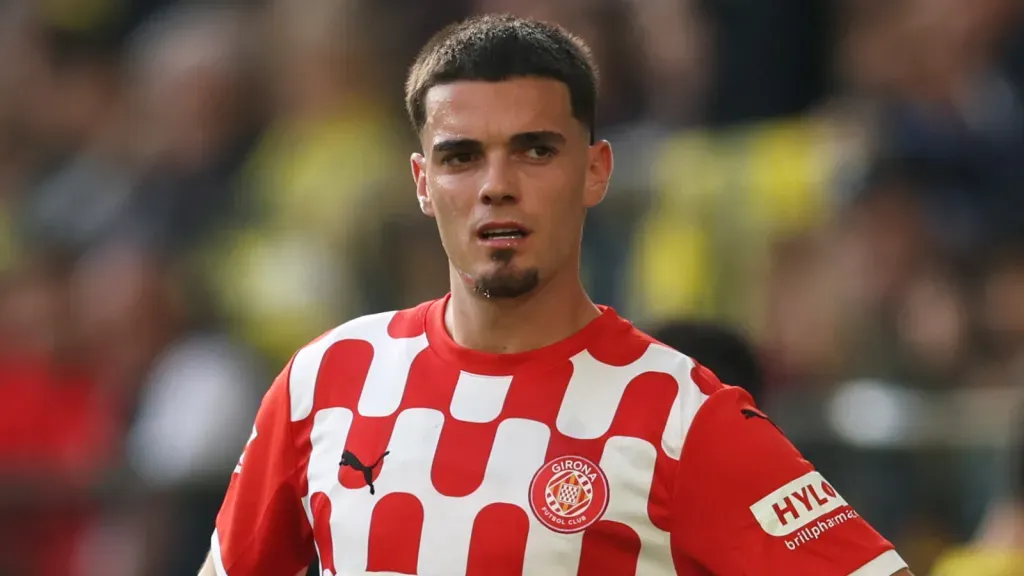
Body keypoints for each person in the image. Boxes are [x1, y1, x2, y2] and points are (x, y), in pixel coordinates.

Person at [198, 14, 913, 576]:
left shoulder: (677, 412)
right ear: (422, 182)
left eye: (535, 149)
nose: (496, 184)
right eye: (461, 156)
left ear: (596, 171)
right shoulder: (327, 379)